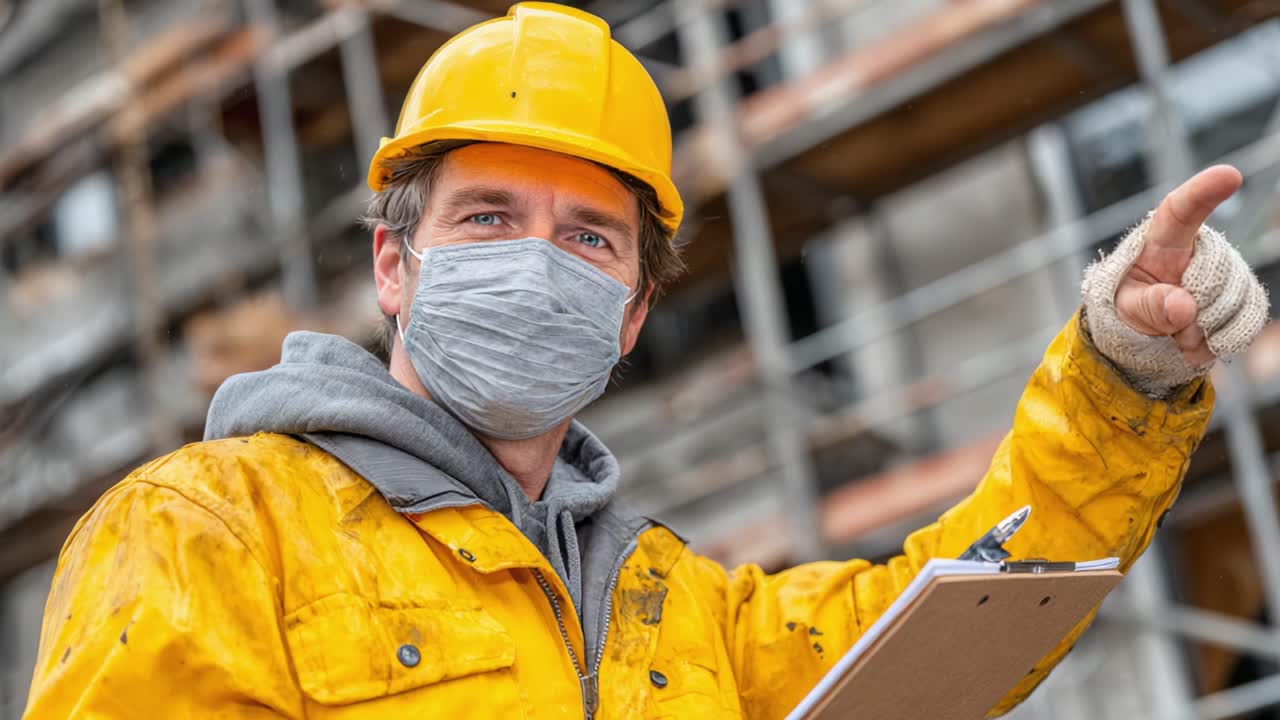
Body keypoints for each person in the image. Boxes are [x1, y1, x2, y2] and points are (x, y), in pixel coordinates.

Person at [22, 3, 1269, 718]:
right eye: (486, 218)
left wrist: (1120, 371)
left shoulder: (682, 612)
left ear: (626, 317)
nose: (534, 263)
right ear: (392, 269)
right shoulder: (205, 535)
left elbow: (960, 619)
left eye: (586, 239)